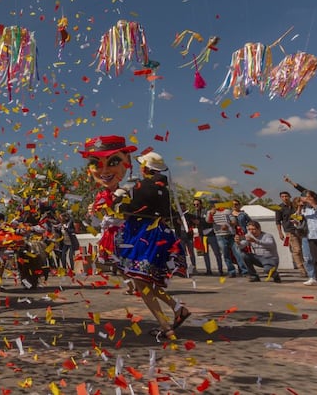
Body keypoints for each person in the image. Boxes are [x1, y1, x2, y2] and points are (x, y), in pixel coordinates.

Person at [81, 138, 190, 340]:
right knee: (146, 283)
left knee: (143, 285)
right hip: (159, 237)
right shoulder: (163, 189)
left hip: (144, 239)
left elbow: (122, 210)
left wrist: (104, 207)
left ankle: (168, 326)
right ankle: (175, 312)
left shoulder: (141, 187)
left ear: (145, 169)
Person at [275, 190, 308, 279]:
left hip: (301, 229)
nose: (285, 198)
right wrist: (280, 232)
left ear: (289, 196)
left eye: (286, 196)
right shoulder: (279, 208)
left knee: (303, 250)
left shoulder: (295, 204)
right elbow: (278, 221)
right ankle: (302, 270)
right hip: (289, 231)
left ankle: (307, 268)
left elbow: (300, 215)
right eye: (282, 197)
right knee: (296, 250)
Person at [191, 198, 224, 276]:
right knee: (205, 253)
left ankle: (220, 270)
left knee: (217, 253)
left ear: (201, 204)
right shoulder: (194, 213)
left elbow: (210, 221)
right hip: (202, 235)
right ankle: (208, 270)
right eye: (194, 204)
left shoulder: (206, 211)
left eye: (197, 204)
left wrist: (201, 222)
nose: (196, 206)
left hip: (211, 234)